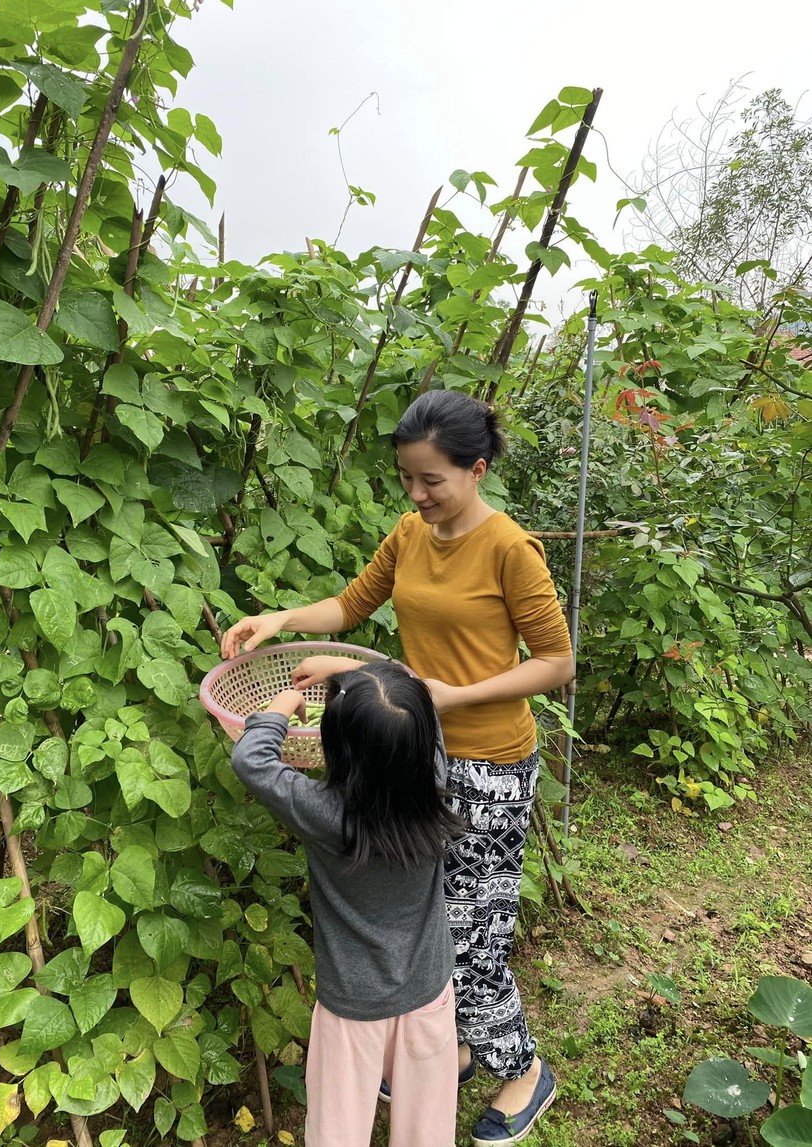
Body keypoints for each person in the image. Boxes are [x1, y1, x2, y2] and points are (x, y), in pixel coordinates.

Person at [222, 389, 575, 1146]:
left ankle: (522, 1070)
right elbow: (351, 604)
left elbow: (557, 662)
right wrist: (282, 618)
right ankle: (451, 1043)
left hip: (486, 760)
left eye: (432, 481)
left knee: (466, 933)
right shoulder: (413, 533)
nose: (417, 496)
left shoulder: (511, 549)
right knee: (433, 923)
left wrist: (455, 693)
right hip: (414, 750)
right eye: (407, 480)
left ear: (476, 469)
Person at [231, 660, 462, 1147]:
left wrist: (283, 706)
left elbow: (251, 760)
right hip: (427, 991)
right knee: (428, 1129)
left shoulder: (325, 812)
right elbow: (412, 687)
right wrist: (350, 671)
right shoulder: (433, 786)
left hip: (352, 1004)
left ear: (337, 752)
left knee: (338, 1130)